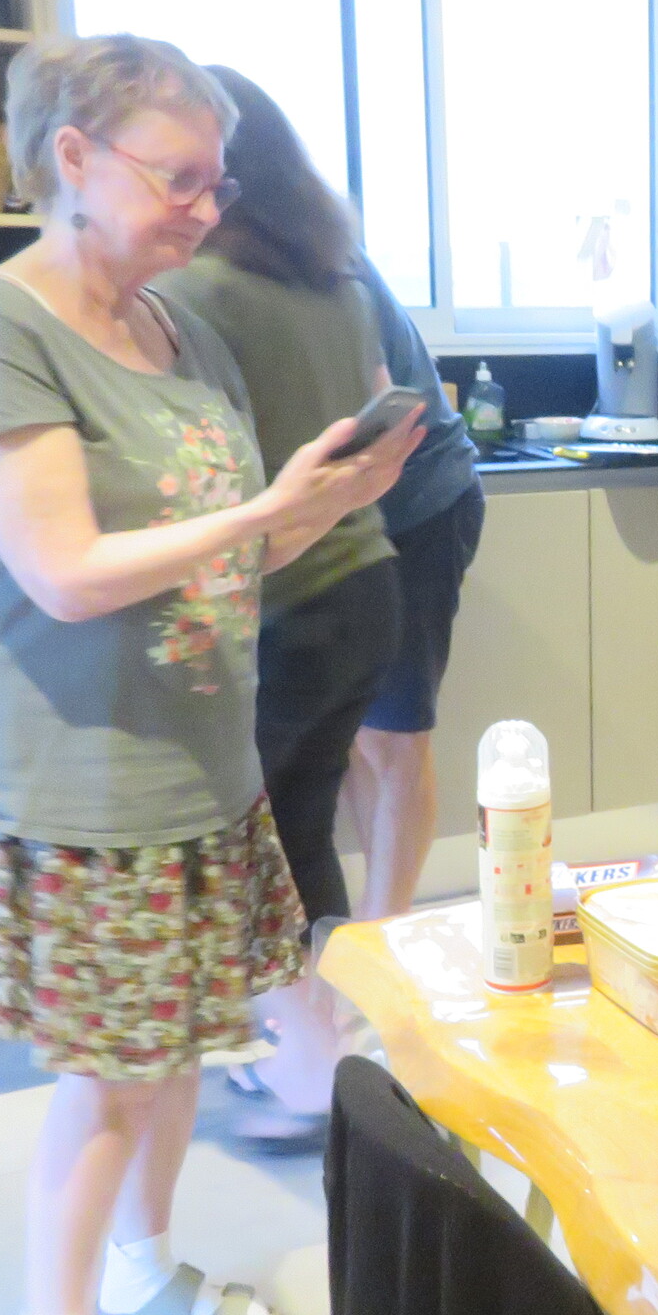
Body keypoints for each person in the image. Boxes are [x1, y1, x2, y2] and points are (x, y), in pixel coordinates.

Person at [0, 33, 417, 1315]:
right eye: (177, 178)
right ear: (73, 158)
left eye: (218, 182)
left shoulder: (173, 330)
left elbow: (226, 554)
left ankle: (138, 1271)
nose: (205, 209)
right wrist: (264, 514)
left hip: (200, 766)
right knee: (111, 1074)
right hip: (76, 780)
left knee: (183, 1043)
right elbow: (66, 572)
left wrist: (333, 502)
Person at [157, 66, 422, 1148]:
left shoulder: (193, 295)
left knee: (255, 848)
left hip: (280, 599)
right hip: (363, 588)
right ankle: (323, 1045)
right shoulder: (337, 283)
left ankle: (308, 1062)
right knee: (300, 828)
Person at [340, 260, 485, 923]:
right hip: (352, 519)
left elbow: (380, 407)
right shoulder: (280, 252)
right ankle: (380, 927)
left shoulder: (321, 262)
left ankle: (384, 934)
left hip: (419, 508)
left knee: (394, 739)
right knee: (355, 737)